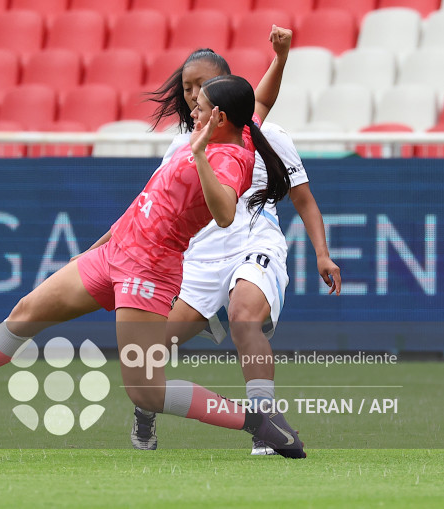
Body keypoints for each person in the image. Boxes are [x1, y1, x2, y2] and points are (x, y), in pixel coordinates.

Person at [0, 72, 307, 458]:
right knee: (26, 312)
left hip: (150, 271)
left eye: (199, 106)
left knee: (146, 392)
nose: (191, 109)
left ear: (219, 116)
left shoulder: (229, 156)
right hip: (113, 254)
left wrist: (199, 156)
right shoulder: (237, 130)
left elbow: (225, 214)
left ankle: (259, 422)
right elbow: (258, 102)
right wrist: (280, 58)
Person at [124, 37, 342, 455]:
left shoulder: (264, 135)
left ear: (224, 87)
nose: (191, 96)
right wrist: (103, 249)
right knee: (148, 352)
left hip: (252, 243)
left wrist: (321, 252)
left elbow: (304, 199)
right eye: (186, 88)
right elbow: (146, 210)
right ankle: (146, 407)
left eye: (200, 86)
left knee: (245, 317)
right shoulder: (180, 147)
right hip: (200, 258)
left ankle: (263, 423)